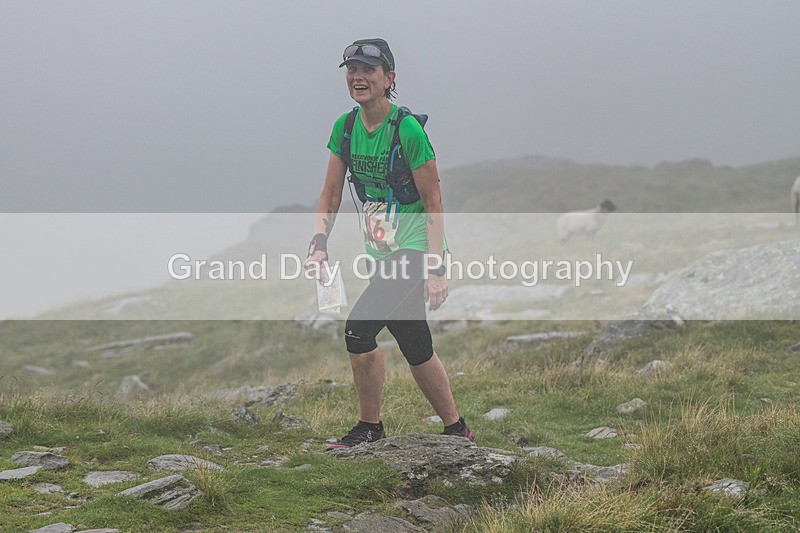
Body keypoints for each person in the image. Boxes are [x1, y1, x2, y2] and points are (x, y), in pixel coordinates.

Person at [304, 38, 473, 449]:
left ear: (389, 79)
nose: (358, 77)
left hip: (416, 248)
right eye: (352, 70)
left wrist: (435, 268)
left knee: (358, 332)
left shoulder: (407, 128)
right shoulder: (344, 128)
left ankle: (369, 427)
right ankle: (457, 429)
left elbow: (433, 200)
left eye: (368, 71)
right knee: (415, 344)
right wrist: (318, 241)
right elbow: (330, 194)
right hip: (382, 250)